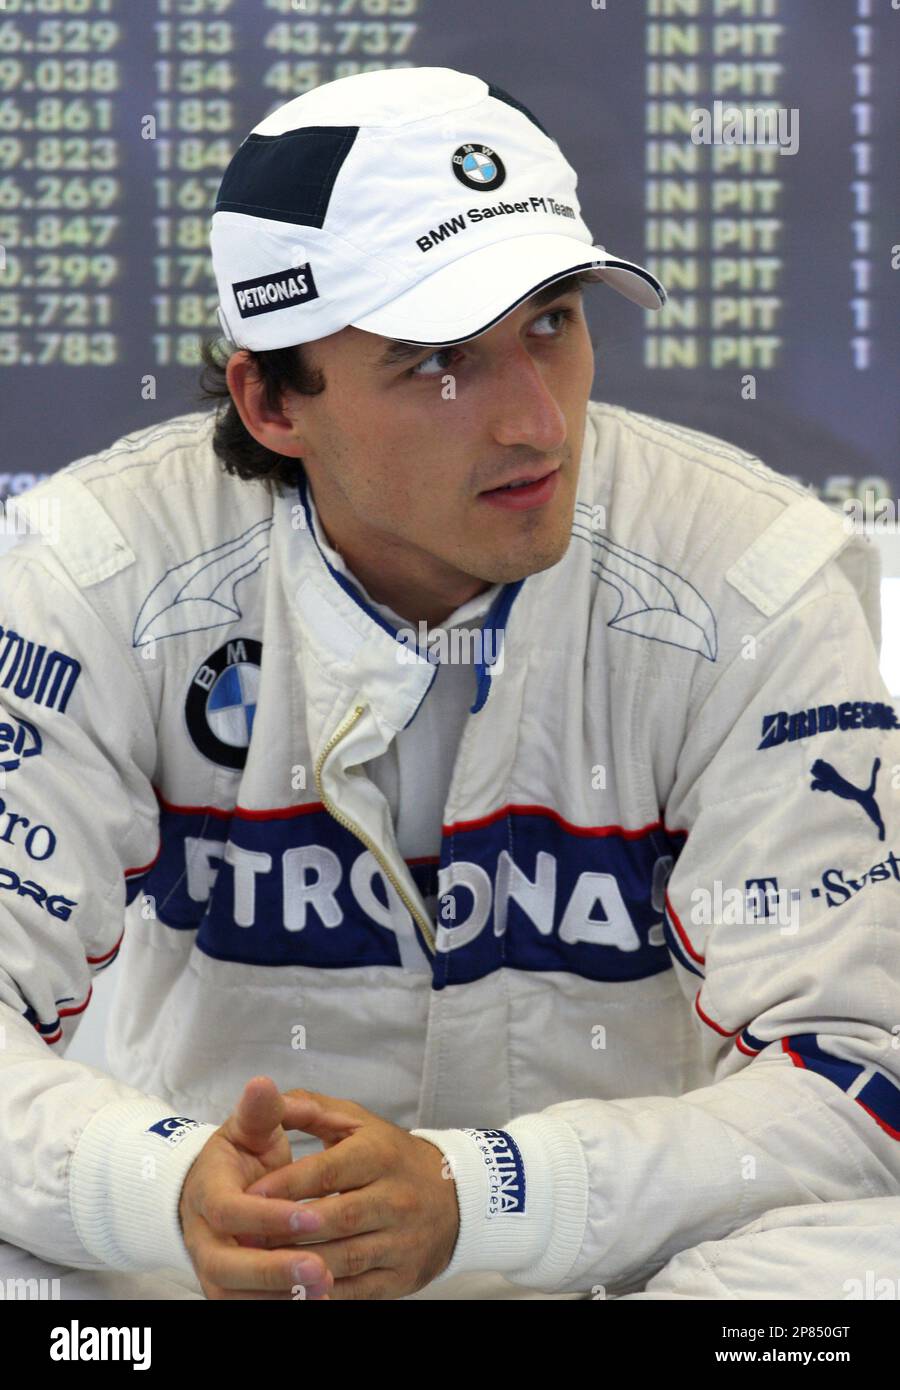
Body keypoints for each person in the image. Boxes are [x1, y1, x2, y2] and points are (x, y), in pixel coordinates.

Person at [1, 65, 898, 1304]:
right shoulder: (91, 575)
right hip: (206, 1280)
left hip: (625, 1279)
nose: (540, 422)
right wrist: (155, 1184)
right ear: (269, 398)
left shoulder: (754, 582)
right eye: (439, 360)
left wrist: (488, 1198)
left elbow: (859, 1081)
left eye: (552, 323)